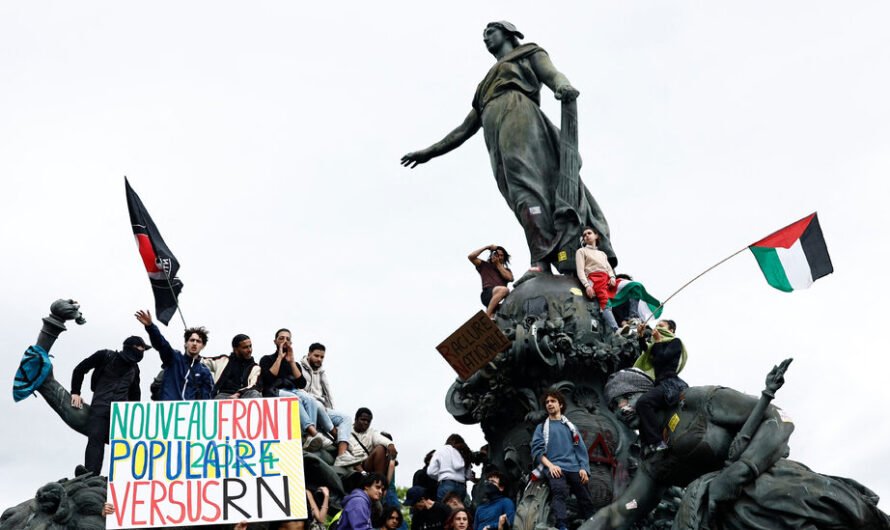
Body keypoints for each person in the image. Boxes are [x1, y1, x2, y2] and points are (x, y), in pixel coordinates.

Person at [402, 21, 616, 275]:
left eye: (490, 32)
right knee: (517, 195)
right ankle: (542, 257)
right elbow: (463, 129)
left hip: (520, 118)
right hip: (495, 138)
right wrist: (428, 152)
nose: (485, 38)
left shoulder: (528, 53)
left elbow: (552, 75)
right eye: (483, 36)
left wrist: (563, 87)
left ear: (508, 33)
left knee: (528, 188)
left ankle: (541, 259)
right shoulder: (484, 86)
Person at [589, 366, 890, 529]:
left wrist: (739, 472)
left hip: (772, 488)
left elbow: (778, 418)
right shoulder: (653, 460)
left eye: (625, 398)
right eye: (614, 405)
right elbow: (620, 512)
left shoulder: (695, 401)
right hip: (721, 515)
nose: (621, 409)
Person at [69, 335, 147, 474]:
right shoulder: (105, 355)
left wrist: (135, 413)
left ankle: (123, 478)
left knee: (125, 445)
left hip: (122, 413)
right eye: (139, 349)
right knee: (96, 438)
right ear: (130, 347)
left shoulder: (135, 369)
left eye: (143, 350)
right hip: (100, 406)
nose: (141, 353)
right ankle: (90, 475)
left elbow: (136, 393)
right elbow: (80, 369)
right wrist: (75, 392)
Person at [259, 329, 337, 451]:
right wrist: (280, 357)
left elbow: (301, 384)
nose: (285, 341)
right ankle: (313, 433)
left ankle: (309, 438)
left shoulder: (294, 363)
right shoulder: (266, 359)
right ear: (275, 341)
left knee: (309, 398)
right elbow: (268, 379)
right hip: (274, 392)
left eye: (288, 339)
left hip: (292, 390)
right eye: (281, 338)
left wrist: (291, 361)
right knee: (294, 399)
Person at [530, 390, 595, 530]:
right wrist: (551, 466)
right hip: (555, 467)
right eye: (547, 402)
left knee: (586, 498)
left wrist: (583, 468)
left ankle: (594, 523)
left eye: (553, 401)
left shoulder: (571, 428)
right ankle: (562, 525)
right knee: (558, 493)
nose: (549, 404)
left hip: (574, 468)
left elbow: (579, 447)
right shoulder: (541, 428)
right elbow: (537, 450)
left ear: (560, 404)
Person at [631, 319, 688, 457]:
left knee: (644, 402)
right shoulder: (657, 345)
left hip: (671, 384)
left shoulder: (675, 343)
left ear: (671, 330)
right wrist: (641, 336)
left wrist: (657, 341)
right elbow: (647, 353)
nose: (657, 328)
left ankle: (657, 442)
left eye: (661, 326)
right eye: (656, 326)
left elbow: (661, 358)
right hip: (659, 384)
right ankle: (645, 445)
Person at [135, 309, 213, 400]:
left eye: (198, 341)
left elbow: (206, 400)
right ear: (186, 344)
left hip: (189, 413)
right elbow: (161, 344)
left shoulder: (204, 372)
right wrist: (150, 326)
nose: (195, 343)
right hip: (168, 411)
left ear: (203, 346)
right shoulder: (174, 359)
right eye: (192, 340)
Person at [299, 342, 351, 456]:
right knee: (316, 404)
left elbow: (328, 395)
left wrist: (329, 412)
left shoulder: (322, 373)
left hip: (323, 409)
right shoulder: (299, 368)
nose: (319, 359)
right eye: (316, 356)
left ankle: (342, 454)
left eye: (322, 357)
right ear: (309, 354)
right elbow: (298, 391)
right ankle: (330, 437)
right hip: (309, 407)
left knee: (346, 418)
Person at [575, 227, 619, 331]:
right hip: (594, 280)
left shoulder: (602, 254)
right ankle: (616, 329)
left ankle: (631, 319)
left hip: (607, 279)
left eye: (589, 233)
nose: (586, 236)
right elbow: (580, 271)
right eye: (584, 235)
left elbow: (609, 268)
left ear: (596, 236)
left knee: (633, 286)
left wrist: (612, 277)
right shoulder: (581, 251)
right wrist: (587, 286)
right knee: (605, 302)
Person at [334, 408, 398, 477]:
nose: (366, 423)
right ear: (356, 419)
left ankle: (379, 480)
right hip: (350, 464)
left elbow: (380, 438)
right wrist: (361, 471)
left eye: (368, 421)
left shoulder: (371, 432)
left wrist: (390, 445)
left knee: (380, 448)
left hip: (366, 463)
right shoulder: (345, 430)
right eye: (363, 420)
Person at [204, 334, 261, 399]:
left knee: (254, 393)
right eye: (245, 347)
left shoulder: (255, 367)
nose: (249, 350)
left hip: (244, 396)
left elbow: (254, 385)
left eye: (250, 346)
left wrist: (238, 394)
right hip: (224, 396)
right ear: (235, 349)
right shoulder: (223, 361)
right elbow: (202, 361)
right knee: (219, 398)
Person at [468, 245, 514, 318]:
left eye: (501, 255)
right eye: (497, 254)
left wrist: (498, 264)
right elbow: (471, 257)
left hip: (499, 300)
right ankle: (487, 316)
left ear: (504, 258)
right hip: (488, 294)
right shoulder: (484, 265)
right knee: (504, 290)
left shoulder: (506, 271)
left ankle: (491, 317)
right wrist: (487, 247)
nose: (499, 257)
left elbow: (510, 278)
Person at [427, 434, 474, 502]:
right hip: (461, 487)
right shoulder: (464, 453)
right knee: (457, 511)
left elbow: (431, 472)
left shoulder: (442, 450)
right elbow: (468, 476)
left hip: (446, 484)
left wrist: (441, 476)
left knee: (445, 511)